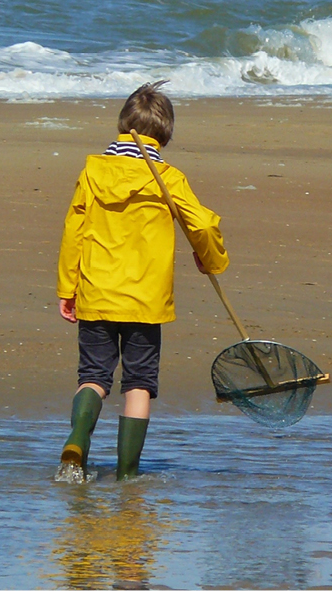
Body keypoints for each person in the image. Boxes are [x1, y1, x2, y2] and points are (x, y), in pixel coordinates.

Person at [56, 80, 228, 482]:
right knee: (138, 383)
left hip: (98, 291)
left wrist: (68, 287)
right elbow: (200, 223)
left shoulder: (93, 171)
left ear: (123, 126)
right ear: (164, 134)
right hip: (146, 300)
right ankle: (127, 473)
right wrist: (211, 259)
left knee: (94, 376)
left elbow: (73, 231)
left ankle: (78, 437)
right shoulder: (168, 177)